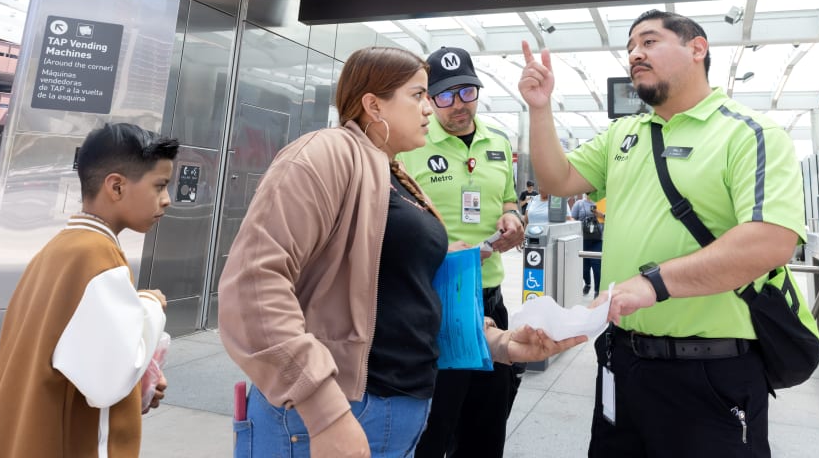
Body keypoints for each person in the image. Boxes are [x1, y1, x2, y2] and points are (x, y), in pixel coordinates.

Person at [218, 47, 582, 458]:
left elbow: (409, 291)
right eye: (419, 95)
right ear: (374, 105)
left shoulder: (396, 176)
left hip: (394, 414)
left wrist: (499, 342)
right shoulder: (325, 154)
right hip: (332, 415)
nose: (430, 108)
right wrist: (325, 412)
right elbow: (253, 286)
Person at [517, 10, 806, 457]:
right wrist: (540, 109)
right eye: (630, 47)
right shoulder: (623, 134)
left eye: (649, 41)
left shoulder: (748, 132)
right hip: (620, 359)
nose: (635, 53)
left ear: (697, 48)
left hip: (710, 371)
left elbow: (770, 240)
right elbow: (558, 179)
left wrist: (654, 284)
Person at [0, 123, 177, 458]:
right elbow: (109, 382)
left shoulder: (60, 249)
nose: (167, 200)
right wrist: (150, 304)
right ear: (116, 186)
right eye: (160, 185)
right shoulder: (98, 257)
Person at [398, 46, 526, 458]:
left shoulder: (498, 143)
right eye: (445, 95)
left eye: (467, 92)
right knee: (433, 429)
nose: (459, 104)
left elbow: (509, 199)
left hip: (490, 300)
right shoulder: (410, 145)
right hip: (435, 302)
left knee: (487, 428)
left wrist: (512, 216)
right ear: (428, 99)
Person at [570, 192, 603, 297]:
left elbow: (609, 218)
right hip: (583, 239)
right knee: (584, 267)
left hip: (597, 239)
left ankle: (597, 290)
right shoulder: (579, 204)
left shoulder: (601, 203)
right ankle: (588, 284)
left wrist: (600, 214)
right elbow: (572, 218)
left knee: (597, 266)